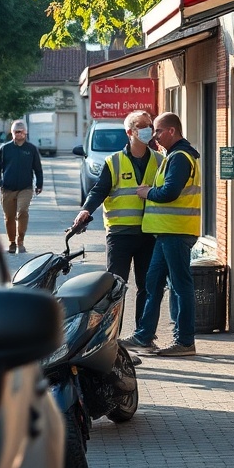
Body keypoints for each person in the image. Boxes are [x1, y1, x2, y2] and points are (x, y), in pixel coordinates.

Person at [70, 110, 163, 333]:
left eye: (149, 125)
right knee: (115, 288)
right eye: (142, 126)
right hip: (120, 234)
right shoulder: (114, 162)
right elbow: (98, 191)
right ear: (130, 132)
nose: (148, 129)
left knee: (147, 287)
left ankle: (142, 334)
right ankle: (111, 335)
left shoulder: (160, 160)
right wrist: (85, 211)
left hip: (149, 233)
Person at [120, 111, 201, 357]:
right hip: (166, 232)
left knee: (180, 286)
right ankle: (144, 336)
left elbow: (169, 192)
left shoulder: (180, 157)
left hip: (176, 231)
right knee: (153, 283)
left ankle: (185, 341)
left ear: (171, 131)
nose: (154, 136)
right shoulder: (173, 156)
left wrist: (147, 193)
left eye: (157, 131)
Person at [0, 119, 43, 254]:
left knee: (22, 212)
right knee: (9, 217)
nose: (18, 134)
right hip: (7, 188)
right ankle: (12, 242)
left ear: (25, 133)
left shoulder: (31, 149)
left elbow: (38, 169)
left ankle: (21, 241)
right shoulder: (5, 148)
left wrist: (39, 184)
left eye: (20, 132)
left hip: (25, 188)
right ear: (12, 133)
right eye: (15, 132)